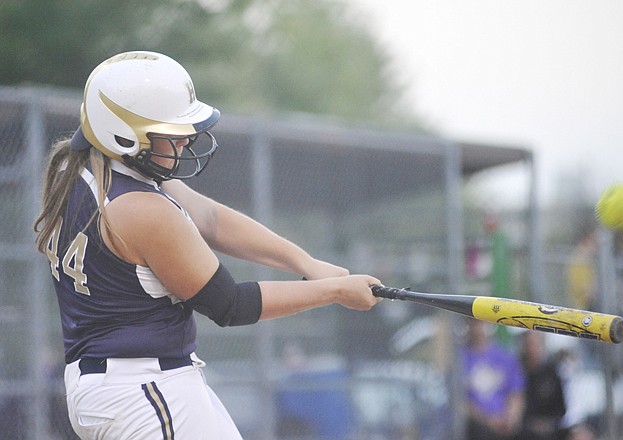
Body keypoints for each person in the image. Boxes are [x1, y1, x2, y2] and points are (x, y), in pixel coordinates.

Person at [33, 51, 381, 440]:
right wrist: (333, 291)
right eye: (169, 133)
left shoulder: (84, 169)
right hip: (144, 387)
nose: (184, 142)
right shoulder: (140, 209)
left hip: (118, 384)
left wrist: (305, 261)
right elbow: (229, 303)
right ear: (122, 136)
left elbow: (211, 220)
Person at [462, 319, 525, 440]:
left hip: (506, 426)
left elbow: (516, 394)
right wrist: (489, 421)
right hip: (476, 428)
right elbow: (460, 402)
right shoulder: (459, 359)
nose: (478, 328)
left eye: (481, 322)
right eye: (474, 323)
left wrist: (511, 418)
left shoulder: (506, 357)